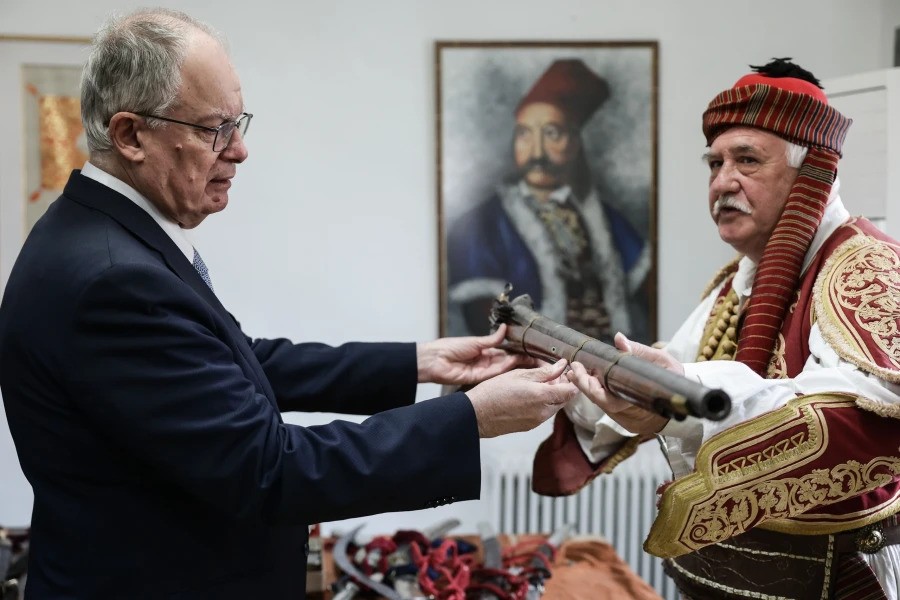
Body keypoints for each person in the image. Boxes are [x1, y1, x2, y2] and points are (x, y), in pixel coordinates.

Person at [0, 9, 580, 599]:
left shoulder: (98, 235)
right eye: (213, 129)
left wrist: (420, 362)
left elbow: (236, 362)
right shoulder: (113, 280)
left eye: (238, 123)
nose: (240, 150)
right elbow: (268, 470)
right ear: (130, 136)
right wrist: (471, 417)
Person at [531, 58, 900, 599]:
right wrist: (562, 372)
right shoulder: (735, 282)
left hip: (832, 579)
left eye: (747, 160)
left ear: (811, 174)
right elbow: (670, 371)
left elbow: (862, 418)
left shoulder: (869, 269)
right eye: (715, 163)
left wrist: (684, 393)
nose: (723, 182)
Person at [446, 59, 651, 343]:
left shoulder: (606, 221)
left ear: (575, 143)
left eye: (552, 133)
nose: (537, 151)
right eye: (525, 134)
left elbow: (648, 294)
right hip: (525, 366)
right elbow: (486, 324)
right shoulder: (483, 225)